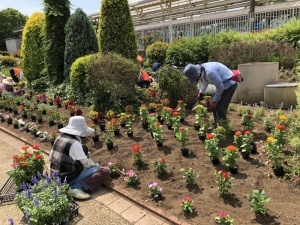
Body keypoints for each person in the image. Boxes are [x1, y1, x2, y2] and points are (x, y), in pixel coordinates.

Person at [49, 116, 110, 200]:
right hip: (67, 178)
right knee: (104, 171)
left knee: (83, 147)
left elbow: (50, 157)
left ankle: (72, 183)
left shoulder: (59, 138)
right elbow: (87, 164)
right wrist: (96, 166)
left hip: (54, 175)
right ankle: (76, 187)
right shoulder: (74, 143)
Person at [183, 62, 239, 127]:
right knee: (213, 106)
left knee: (220, 107)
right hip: (223, 84)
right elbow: (205, 80)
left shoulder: (210, 72)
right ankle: (217, 125)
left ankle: (222, 129)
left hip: (229, 84)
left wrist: (214, 101)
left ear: (198, 73)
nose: (198, 79)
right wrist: (201, 92)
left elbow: (220, 87)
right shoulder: (202, 69)